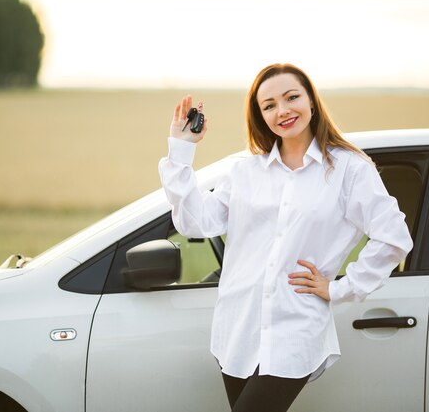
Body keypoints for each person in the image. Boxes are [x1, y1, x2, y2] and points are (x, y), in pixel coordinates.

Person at [158, 63, 413, 412]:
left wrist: (339, 288)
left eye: (292, 97)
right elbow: (195, 223)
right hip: (238, 329)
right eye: (269, 105)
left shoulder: (349, 170)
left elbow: (393, 237)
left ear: (311, 100)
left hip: (294, 329)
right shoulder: (245, 171)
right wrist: (182, 149)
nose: (283, 110)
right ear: (260, 116)